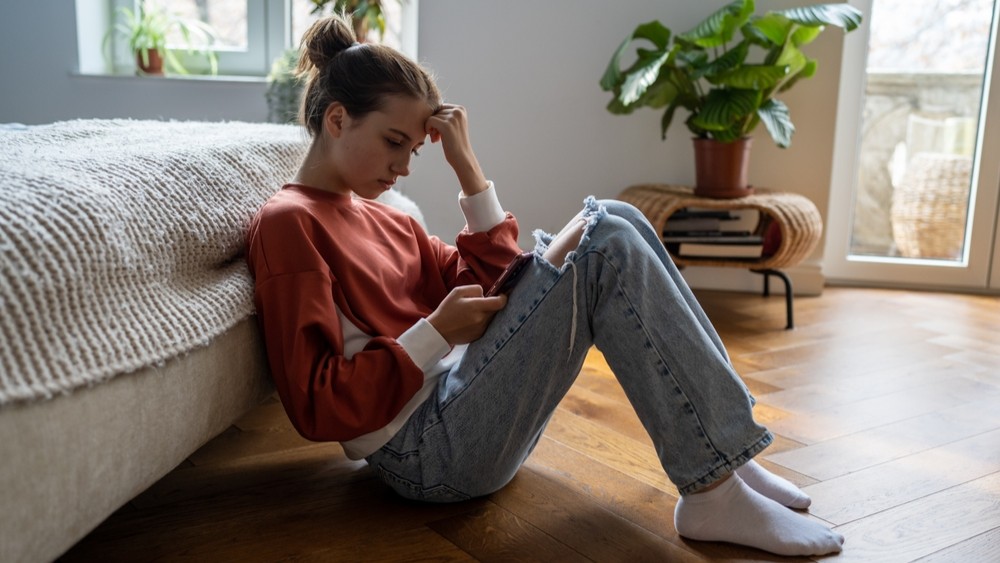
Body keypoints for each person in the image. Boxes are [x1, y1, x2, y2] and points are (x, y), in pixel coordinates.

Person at [245, 13, 845, 557]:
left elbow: (494, 278)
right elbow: (315, 401)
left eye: (413, 150)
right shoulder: (290, 223)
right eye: (393, 143)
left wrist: (468, 167)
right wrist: (433, 334)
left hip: (461, 401)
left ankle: (726, 458)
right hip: (426, 457)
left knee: (613, 216)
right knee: (603, 243)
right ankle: (714, 485)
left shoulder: (386, 216)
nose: (403, 166)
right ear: (336, 119)